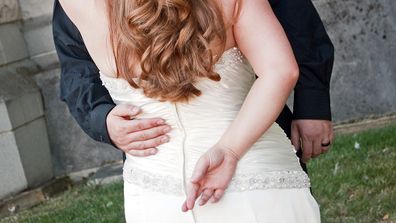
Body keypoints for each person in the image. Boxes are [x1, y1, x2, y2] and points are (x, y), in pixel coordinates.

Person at [53, 0, 334, 222]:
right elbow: (75, 66)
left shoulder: (79, 4)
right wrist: (101, 119)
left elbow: (293, 12)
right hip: (236, 170)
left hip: (160, 191)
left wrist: (313, 100)